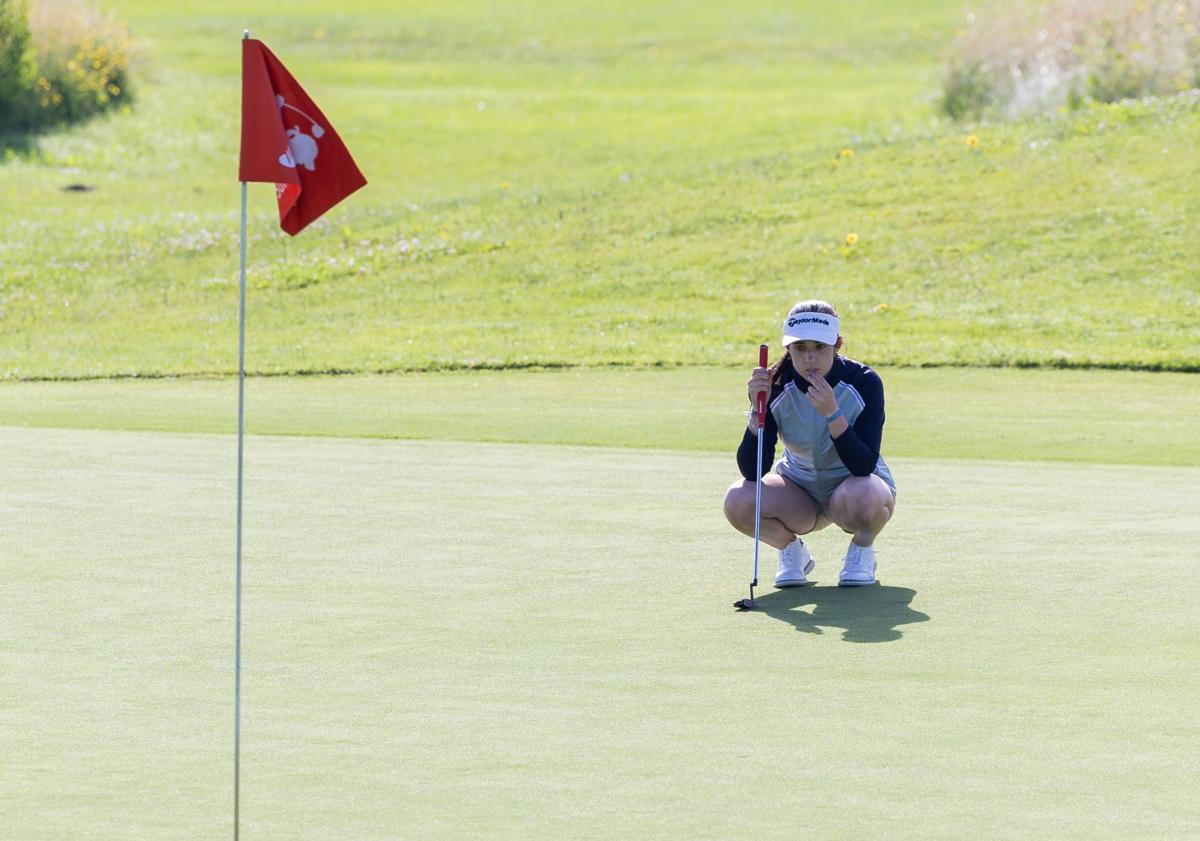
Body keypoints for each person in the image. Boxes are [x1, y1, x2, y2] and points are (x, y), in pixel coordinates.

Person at [722, 300, 896, 587]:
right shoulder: (776, 384)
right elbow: (753, 472)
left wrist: (833, 413)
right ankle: (791, 551)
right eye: (800, 348)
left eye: (819, 347)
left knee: (865, 495)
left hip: (853, 487)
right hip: (799, 490)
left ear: (838, 344)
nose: (809, 358)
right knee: (738, 500)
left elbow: (863, 465)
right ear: (788, 349)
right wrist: (757, 411)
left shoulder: (864, 382)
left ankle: (862, 550)